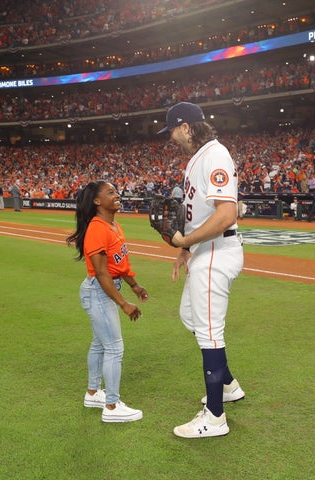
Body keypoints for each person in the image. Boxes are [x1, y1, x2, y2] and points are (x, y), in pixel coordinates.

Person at [157, 101, 245, 438]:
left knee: (209, 330)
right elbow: (199, 212)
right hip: (205, 250)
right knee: (191, 317)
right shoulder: (200, 158)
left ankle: (215, 417)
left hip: (218, 251)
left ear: (186, 127)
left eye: (173, 131)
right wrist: (187, 249)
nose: (172, 139)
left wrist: (187, 241)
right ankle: (228, 386)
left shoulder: (215, 155)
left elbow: (226, 214)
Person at [66, 181, 148, 423]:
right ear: (97, 201)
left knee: (100, 344)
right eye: (110, 192)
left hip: (105, 289)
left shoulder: (112, 224)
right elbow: (102, 274)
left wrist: (134, 285)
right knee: (114, 347)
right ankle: (112, 406)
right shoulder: (97, 228)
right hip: (99, 291)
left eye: (116, 191)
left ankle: (93, 393)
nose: (117, 195)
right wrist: (124, 304)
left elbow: (117, 265)